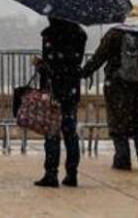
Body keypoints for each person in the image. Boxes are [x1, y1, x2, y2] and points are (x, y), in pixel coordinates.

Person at [83, 4, 138, 173]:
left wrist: (85, 72)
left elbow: (99, 57)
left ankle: (122, 160)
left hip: (118, 85)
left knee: (118, 122)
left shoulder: (115, 34)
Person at [35, 16, 87, 187]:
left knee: (52, 133)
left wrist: (40, 65)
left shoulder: (50, 34)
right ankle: (72, 173)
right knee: (70, 132)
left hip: (54, 89)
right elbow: (74, 61)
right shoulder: (80, 34)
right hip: (71, 89)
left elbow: (50, 65)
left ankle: (51, 173)